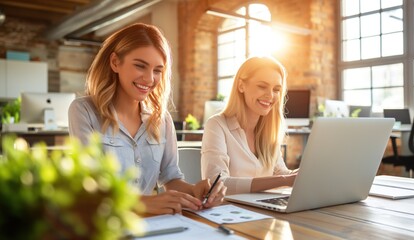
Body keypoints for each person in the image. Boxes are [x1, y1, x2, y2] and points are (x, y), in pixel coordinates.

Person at [68, 23, 226, 214]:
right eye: (140, 66)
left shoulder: (162, 119)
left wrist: (194, 191)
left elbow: (170, 178)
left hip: (150, 224)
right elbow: (89, 186)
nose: (150, 79)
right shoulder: (83, 111)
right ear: (115, 62)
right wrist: (141, 203)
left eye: (157, 70)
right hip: (104, 224)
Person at [201, 56, 298, 195]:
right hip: (230, 211)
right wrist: (284, 180)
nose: (270, 95)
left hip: (264, 209)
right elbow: (216, 183)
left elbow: (282, 173)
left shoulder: (269, 131)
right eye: (262, 86)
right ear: (241, 85)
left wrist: (303, 174)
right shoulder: (217, 125)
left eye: (276, 89)